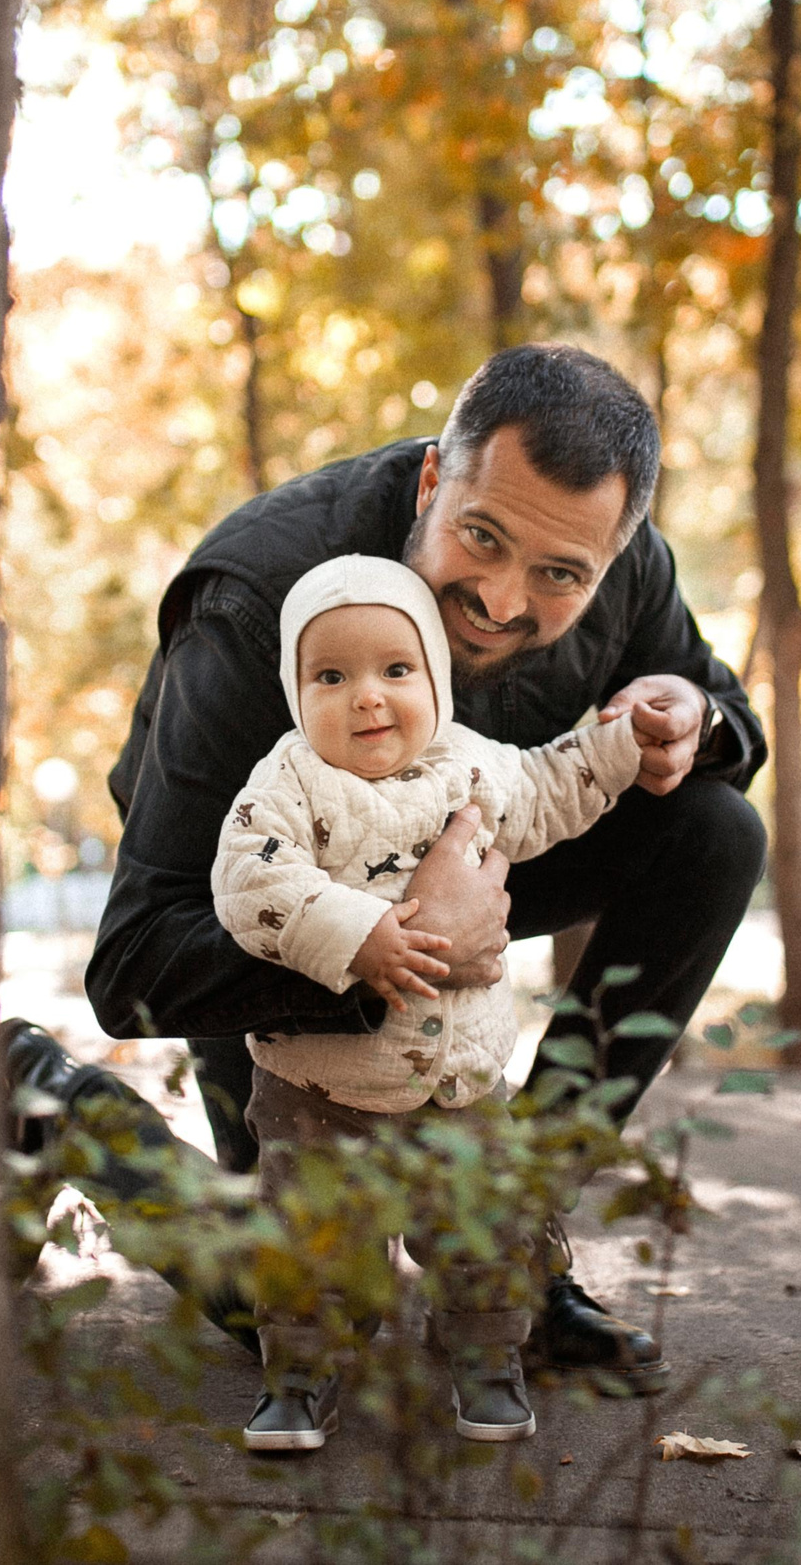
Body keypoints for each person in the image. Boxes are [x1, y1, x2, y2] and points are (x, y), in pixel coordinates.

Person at [9, 342, 768, 1395]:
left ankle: (509, 1249)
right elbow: (135, 962)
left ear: (612, 555)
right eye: (480, 537)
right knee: (299, 1317)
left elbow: (725, 709)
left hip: (479, 862)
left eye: (559, 576)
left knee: (716, 830)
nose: (504, 600)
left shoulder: (626, 567)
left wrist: (697, 722)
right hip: (262, 913)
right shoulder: (253, 598)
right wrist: (385, 951)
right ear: (430, 479)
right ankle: (45, 1103)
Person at [218, 555, 643, 1451]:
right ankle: (299, 1376)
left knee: (484, 1237)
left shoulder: (474, 766)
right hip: (320, 1095)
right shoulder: (287, 782)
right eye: (331, 676)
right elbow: (249, 880)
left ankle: (489, 1360)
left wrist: (619, 739)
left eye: (395, 670)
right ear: (298, 696)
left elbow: (553, 786)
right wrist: (358, 935)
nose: (367, 697)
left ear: (436, 681)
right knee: (311, 1247)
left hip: (461, 1091)